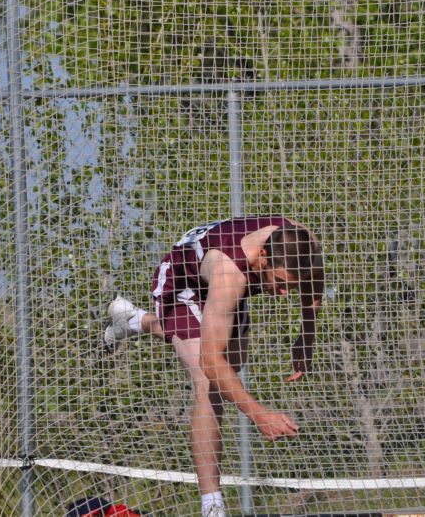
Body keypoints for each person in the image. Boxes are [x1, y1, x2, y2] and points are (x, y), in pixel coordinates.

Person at [104, 216, 324, 517]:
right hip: (184, 285)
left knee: (233, 366)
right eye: (282, 284)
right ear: (263, 256)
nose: (285, 294)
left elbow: (315, 277)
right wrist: (260, 415)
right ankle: (212, 504)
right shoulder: (228, 276)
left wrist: (306, 337)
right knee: (210, 385)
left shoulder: (302, 240)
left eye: (291, 286)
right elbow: (211, 362)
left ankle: (134, 320)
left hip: (231, 284)